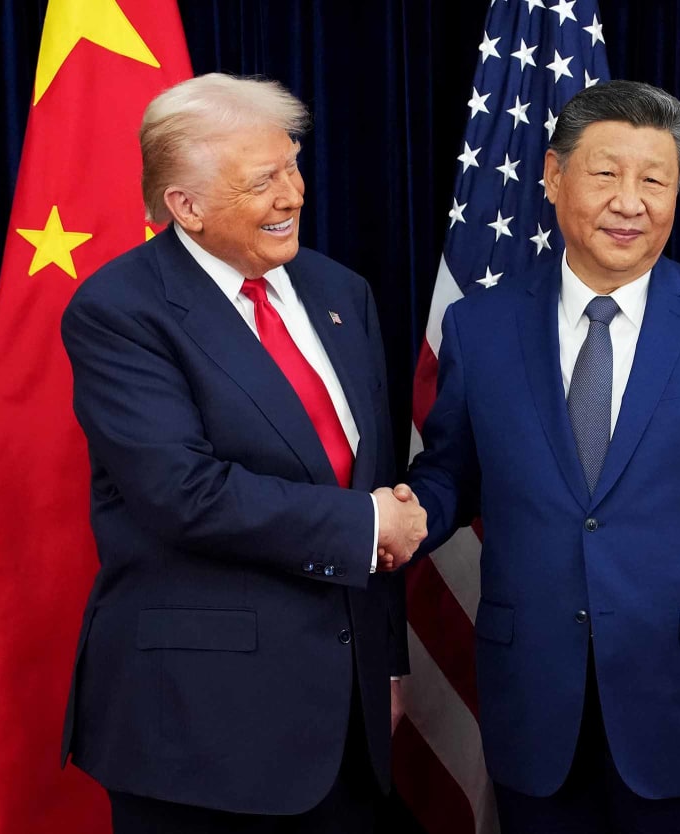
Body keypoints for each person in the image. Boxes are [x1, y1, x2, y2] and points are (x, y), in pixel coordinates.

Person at [407, 80, 680, 832]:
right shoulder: (480, 328)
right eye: (605, 174)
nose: (630, 202)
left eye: (653, 180)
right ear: (553, 177)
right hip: (535, 701)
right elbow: (449, 475)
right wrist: (391, 517)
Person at [59, 73, 425, 834]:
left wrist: (386, 660)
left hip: (347, 726)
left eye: (292, 165)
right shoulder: (120, 311)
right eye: (263, 181)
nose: (292, 194)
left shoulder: (340, 290)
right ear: (183, 205)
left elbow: (372, 473)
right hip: (202, 730)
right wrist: (363, 526)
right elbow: (181, 492)